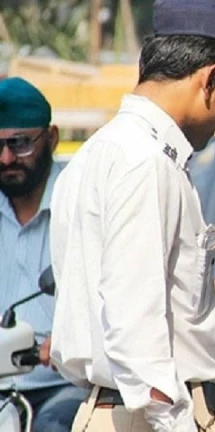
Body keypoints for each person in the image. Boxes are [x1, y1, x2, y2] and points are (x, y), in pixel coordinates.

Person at [47, 1, 215, 431]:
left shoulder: (98, 154)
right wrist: (177, 423)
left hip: (124, 411)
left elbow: (126, 298)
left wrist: (211, 301)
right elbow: (132, 324)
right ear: (212, 79)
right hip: (148, 417)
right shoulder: (145, 163)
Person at [0, 77, 89, 431]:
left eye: (20, 144)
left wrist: (70, 338)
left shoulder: (81, 200)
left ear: (50, 138)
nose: (6, 158)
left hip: (63, 382)